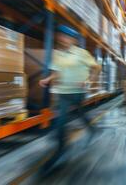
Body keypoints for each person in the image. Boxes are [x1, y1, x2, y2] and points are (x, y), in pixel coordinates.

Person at [39, 25, 101, 161]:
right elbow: (56, 72)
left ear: (74, 40)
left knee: (80, 113)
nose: (64, 39)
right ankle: (62, 148)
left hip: (77, 91)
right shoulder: (58, 54)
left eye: (67, 37)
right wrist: (47, 79)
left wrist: (89, 81)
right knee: (61, 119)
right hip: (63, 92)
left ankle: (91, 128)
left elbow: (96, 67)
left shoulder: (81, 53)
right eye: (62, 36)